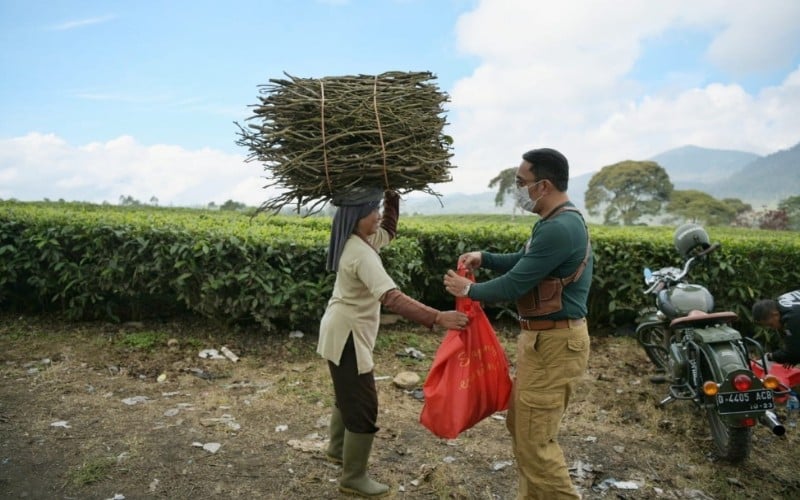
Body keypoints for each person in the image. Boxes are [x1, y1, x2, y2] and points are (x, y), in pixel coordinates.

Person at [443, 148, 592, 500]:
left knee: (535, 440)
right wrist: (486, 258)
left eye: (521, 183)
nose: (517, 189)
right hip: (545, 343)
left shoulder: (561, 227)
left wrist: (470, 289)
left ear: (543, 185)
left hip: (555, 345)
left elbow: (515, 284)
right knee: (524, 429)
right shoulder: (554, 223)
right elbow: (527, 261)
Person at [317, 186, 469, 498]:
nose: (378, 216)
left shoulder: (359, 239)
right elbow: (392, 298)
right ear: (359, 216)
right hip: (347, 335)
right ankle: (353, 478)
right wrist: (437, 317)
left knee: (347, 391)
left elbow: (389, 229)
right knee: (363, 403)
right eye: (373, 210)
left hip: (340, 329)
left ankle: (336, 449)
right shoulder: (360, 253)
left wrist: (392, 194)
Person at [752, 290, 800, 367]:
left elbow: (794, 352)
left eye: (770, 325)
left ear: (775, 314)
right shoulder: (780, 302)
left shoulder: (792, 317)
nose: (773, 328)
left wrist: (770, 356)